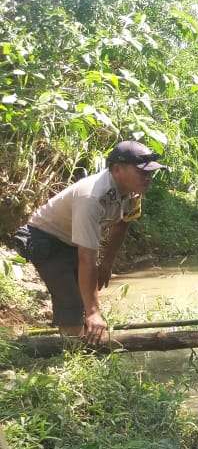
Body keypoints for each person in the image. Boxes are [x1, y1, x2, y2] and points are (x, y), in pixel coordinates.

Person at [11, 140, 165, 344]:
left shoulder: (133, 192)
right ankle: (73, 354)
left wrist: (108, 263)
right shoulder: (91, 197)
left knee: (84, 298)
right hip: (45, 239)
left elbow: (122, 223)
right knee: (72, 301)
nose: (148, 177)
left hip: (71, 242)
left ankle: (82, 343)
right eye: (142, 172)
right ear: (117, 169)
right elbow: (87, 258)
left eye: (150, 172)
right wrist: (94, 312)